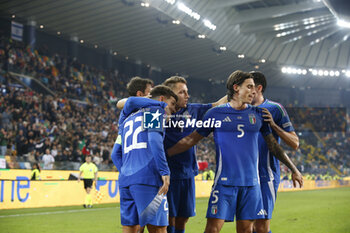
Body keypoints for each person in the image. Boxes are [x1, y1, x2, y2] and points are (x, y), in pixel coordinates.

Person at [167, 70, 303, 233]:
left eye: (254, 87)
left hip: (252, 185)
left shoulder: (260, 114)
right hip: (224, 184)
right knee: (212, 229)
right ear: (236, 88)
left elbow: (274, 146)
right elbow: (191, 139)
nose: (254, 91)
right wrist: (166, 154)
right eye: (249, 87)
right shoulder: (215, 114)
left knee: (247, 230)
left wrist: (294, 169)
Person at [162, 76, 227, 233]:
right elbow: (123, 103)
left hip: (188, 173)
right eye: (182, 92)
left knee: (183, 217)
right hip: (168, 173)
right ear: (171, 95)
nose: (187, 95)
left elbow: (218, 104)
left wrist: (235, 88)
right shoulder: (158, 111)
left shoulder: (194, 109)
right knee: (169, 216)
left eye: (187, 91)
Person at [111, 85, 177, 233]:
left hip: (125, 180)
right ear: (161, 99)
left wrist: (128, 173)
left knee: (130, 227)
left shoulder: (127, 118)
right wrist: (165, 172)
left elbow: (115, 154)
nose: (173, 111)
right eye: (172, 104)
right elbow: (154, 140)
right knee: (159, 228)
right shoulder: (155, 110)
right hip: (147, 178)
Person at [250, 71, 299, 233]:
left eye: (250, 86)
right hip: (244, 176)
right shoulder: (240, 109)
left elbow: (294, 143)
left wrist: (273, 125)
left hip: (266, 175)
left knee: (261, 227)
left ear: (259, 88)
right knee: (245, 226)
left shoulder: (275, 109)